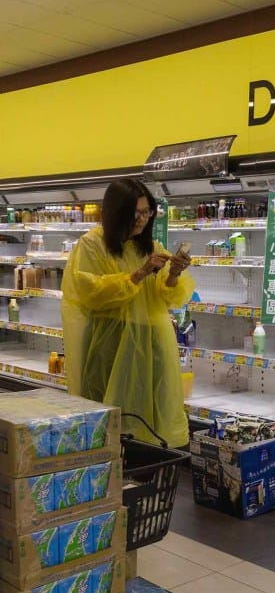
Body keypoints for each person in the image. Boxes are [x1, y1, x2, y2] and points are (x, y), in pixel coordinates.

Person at [62, 179, 195, 448]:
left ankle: (149, 464)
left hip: (153, 342)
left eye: (147, 212)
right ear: (117, 212)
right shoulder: (91, 244)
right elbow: (90, 291)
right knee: (110, 417)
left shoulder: (151, 246)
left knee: (153, 415)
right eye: (136, 213)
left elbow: (168, 296)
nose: (143, 219)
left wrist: (174, 273)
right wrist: (140, 274)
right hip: (112, 342)